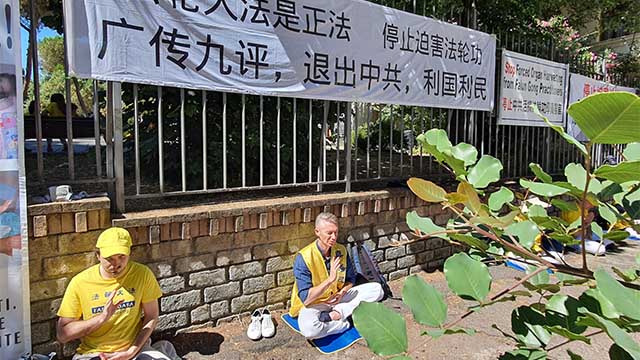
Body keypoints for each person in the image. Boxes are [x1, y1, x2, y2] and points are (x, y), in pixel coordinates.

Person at [56, 227, 178, 360]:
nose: (116, 264)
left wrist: (131, 351)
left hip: (135, 350)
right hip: (95, 353)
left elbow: (151, 316)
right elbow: (62, 335)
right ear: (98, 256)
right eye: (110, 258)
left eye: (121, 257)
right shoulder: (80, 282)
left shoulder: (142, 274)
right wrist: (102, 318)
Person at [289, 212, 384, 339]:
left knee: (377, 289)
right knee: (310, 330)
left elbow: (351, 280)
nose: (333, 237)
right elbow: (306, 298)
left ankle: (336, 314)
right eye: (329, 233)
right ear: (317, 232)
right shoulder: (304, 258)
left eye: (336, 232)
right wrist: (330, 280)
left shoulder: (341, 250)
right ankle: (343, 324)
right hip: (314, 303)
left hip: (337, 299)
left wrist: (342, 293)